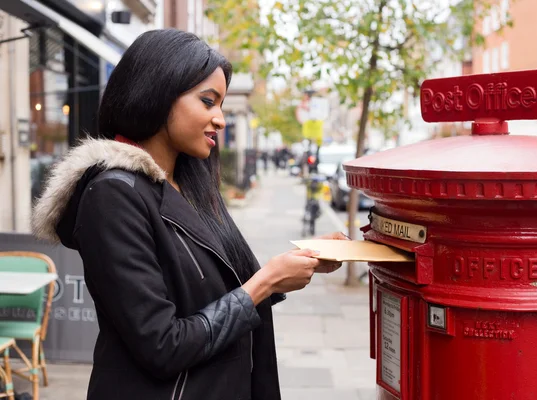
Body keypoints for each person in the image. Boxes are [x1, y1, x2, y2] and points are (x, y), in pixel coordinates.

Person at [31, 29, 347, 400]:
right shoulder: (113, 195)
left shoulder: (188, 184)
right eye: (208, 102)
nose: (221, 120)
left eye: (222, 105)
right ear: (158, 92)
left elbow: (214, 290)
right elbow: (162, 345)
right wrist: (266, 283)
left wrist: (297, 262)